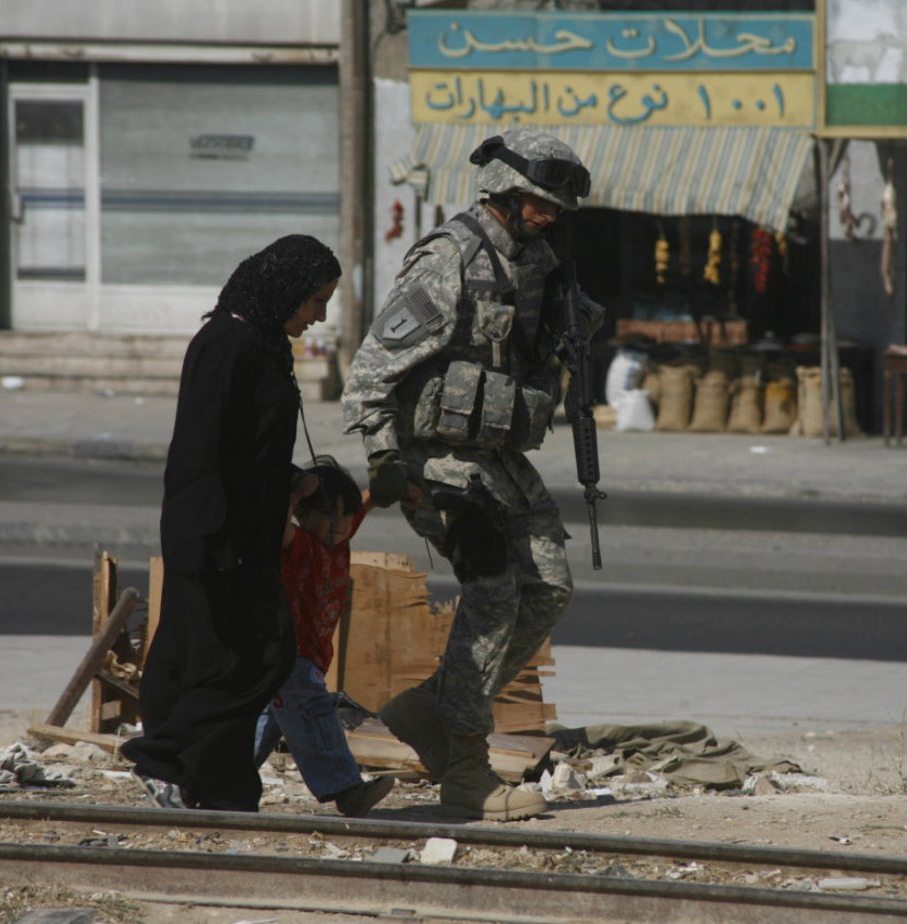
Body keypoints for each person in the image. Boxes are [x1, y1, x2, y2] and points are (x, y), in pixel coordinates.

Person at [342, 128, 602, 821]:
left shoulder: (538, 262)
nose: (548, 217)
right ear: (504, 194)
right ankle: (464, 769)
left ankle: (431, 710)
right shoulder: (448, 259)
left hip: (495, 457)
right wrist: (383, 460)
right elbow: (369, 371)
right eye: (538, 203)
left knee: (547, 588)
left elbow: (528, 359)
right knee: (492, 593)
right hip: (434, 458)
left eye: (555, 208)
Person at [123, 234, 341, 812]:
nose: (320, 315)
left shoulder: (265, 343)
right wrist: (212, 538)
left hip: (247, 533)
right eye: (315, 300)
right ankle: (163, 756)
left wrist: (292, 481)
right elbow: (201, 448)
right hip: (217, 536)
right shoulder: (226, 342)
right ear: (286, 291)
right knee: (253, 656)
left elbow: (251, 443)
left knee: (211, 655)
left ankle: (220, 790)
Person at [252, 456, 395, 817]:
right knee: (316, 714)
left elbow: (362, 504)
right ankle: (345, 788)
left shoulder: (339, 539)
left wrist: (387, 489)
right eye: (325, 516)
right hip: (291, 653)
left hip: (308, 655)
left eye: (343, 517)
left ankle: (210, 782)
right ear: (303, 514)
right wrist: (289, 495)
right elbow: (279, 524)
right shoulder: (300, 545)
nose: (336, 526)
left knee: (259, 727)